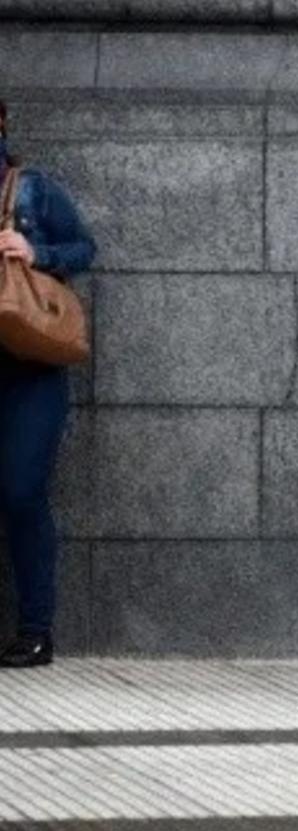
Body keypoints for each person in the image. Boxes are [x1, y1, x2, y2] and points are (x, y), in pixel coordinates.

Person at [0, 99, 97, 668]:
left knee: (21, 491)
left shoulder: (33, 191)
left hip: (30, 369)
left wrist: (37, 252)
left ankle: (36, 629)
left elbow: (86, 248)